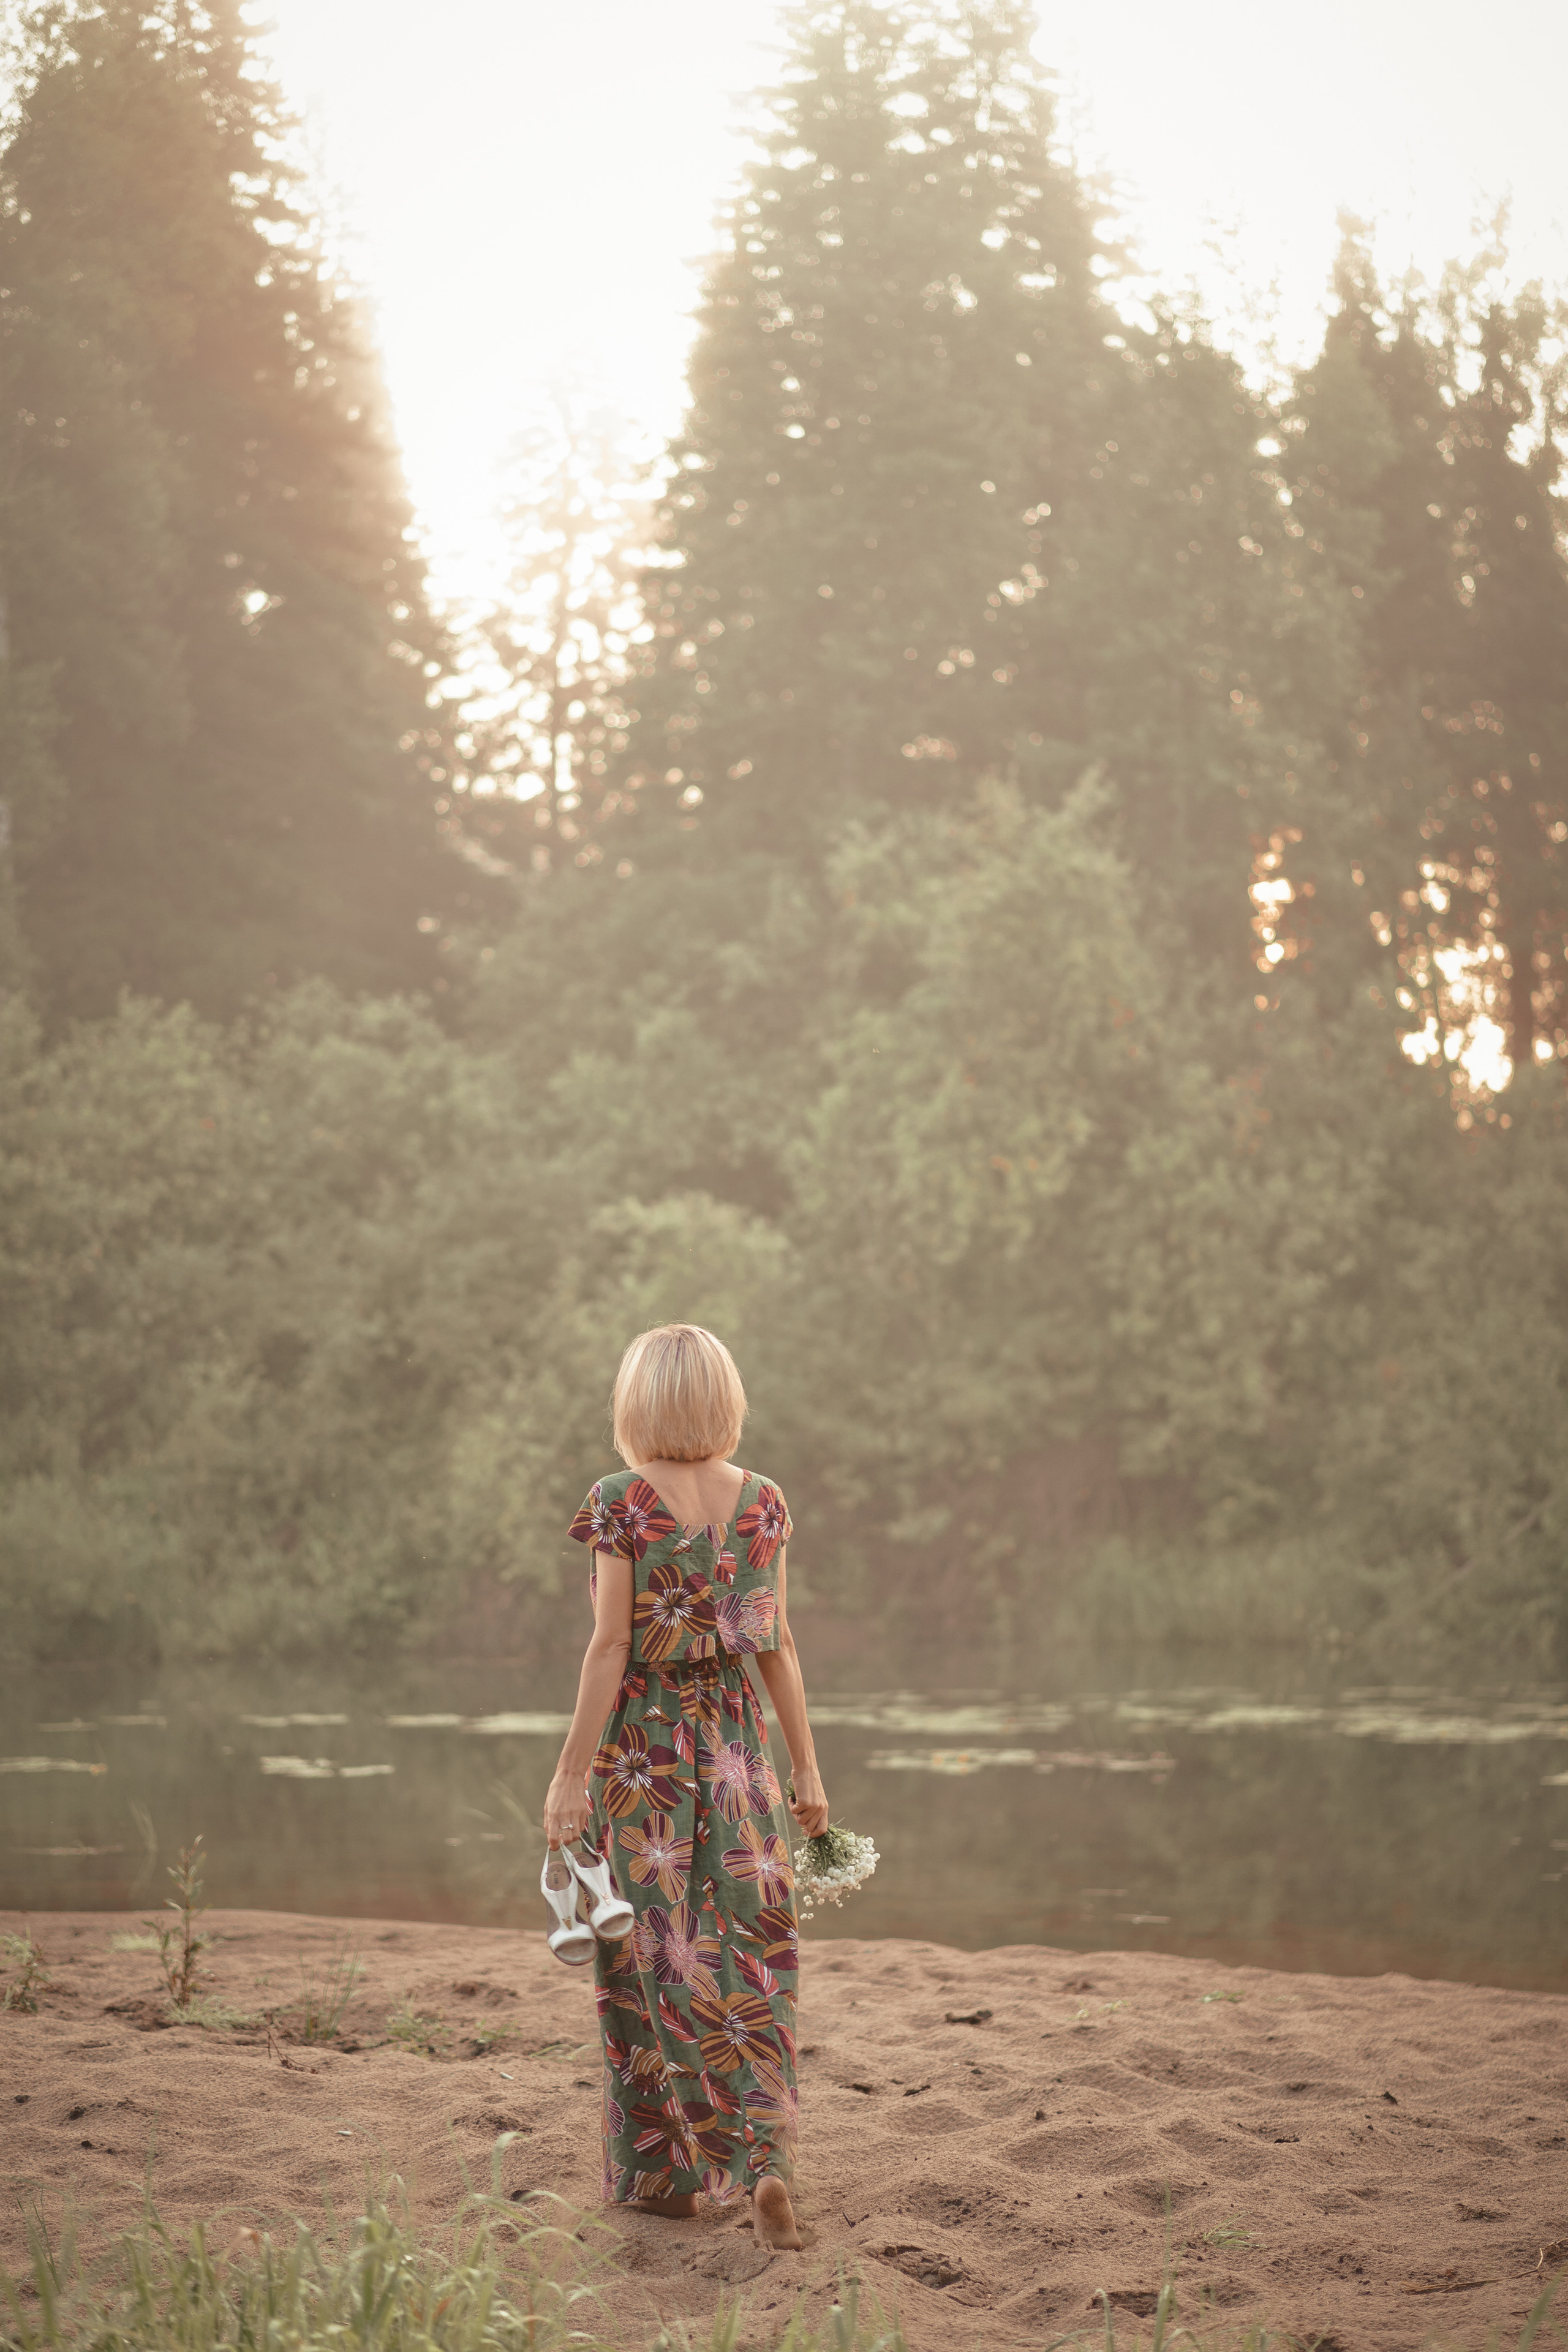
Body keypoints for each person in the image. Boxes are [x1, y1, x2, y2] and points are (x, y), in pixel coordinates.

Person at [544, 1323, 829, 2250]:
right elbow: (778, 1645)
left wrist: (569, 1772)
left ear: (639, 1403)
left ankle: (669, 2179)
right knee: (751, 1944)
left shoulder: (619, 1501)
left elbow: (611, 1647)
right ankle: (766, 2160)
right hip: (741, 1751)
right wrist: (808, 1768)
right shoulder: (765, 1501)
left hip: (646, 1754)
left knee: (649, 1952)